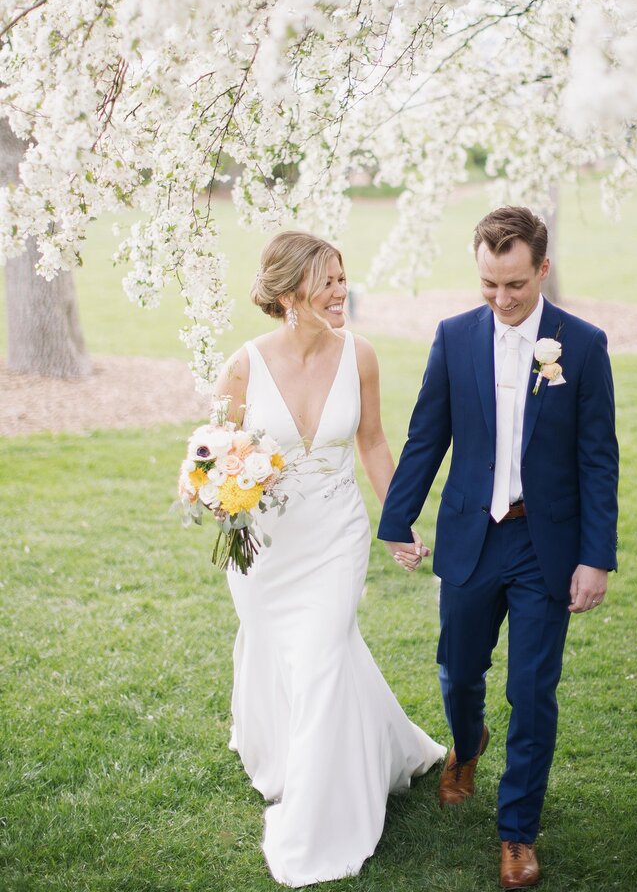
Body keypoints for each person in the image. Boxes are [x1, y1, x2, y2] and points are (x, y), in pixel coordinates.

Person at [378, 206, 618, 889]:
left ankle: (517, 831)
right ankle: (468, 740)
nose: (502, 300)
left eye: (515, 284)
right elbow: (428, 435)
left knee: (533, 689)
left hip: (546, 543)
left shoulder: (584, 343)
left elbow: (599, 457)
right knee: (458, 667)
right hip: (470, 535)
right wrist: (398, 518)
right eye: (489, 284)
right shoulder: (454, 337)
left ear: (542, 269)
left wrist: (595, 556)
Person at [215, 230, 445, 888]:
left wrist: (397, 520)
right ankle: (384, 744)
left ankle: (319, 819)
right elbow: (213, 453)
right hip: (266, 546)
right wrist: (217, 496)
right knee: (284, 649)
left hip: (336, 534)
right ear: (290, 293)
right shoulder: (244, 365)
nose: (343, 292)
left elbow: (372, 442)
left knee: (321, 653)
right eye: (328, 282)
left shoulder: (360, 356)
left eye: (344, 278)